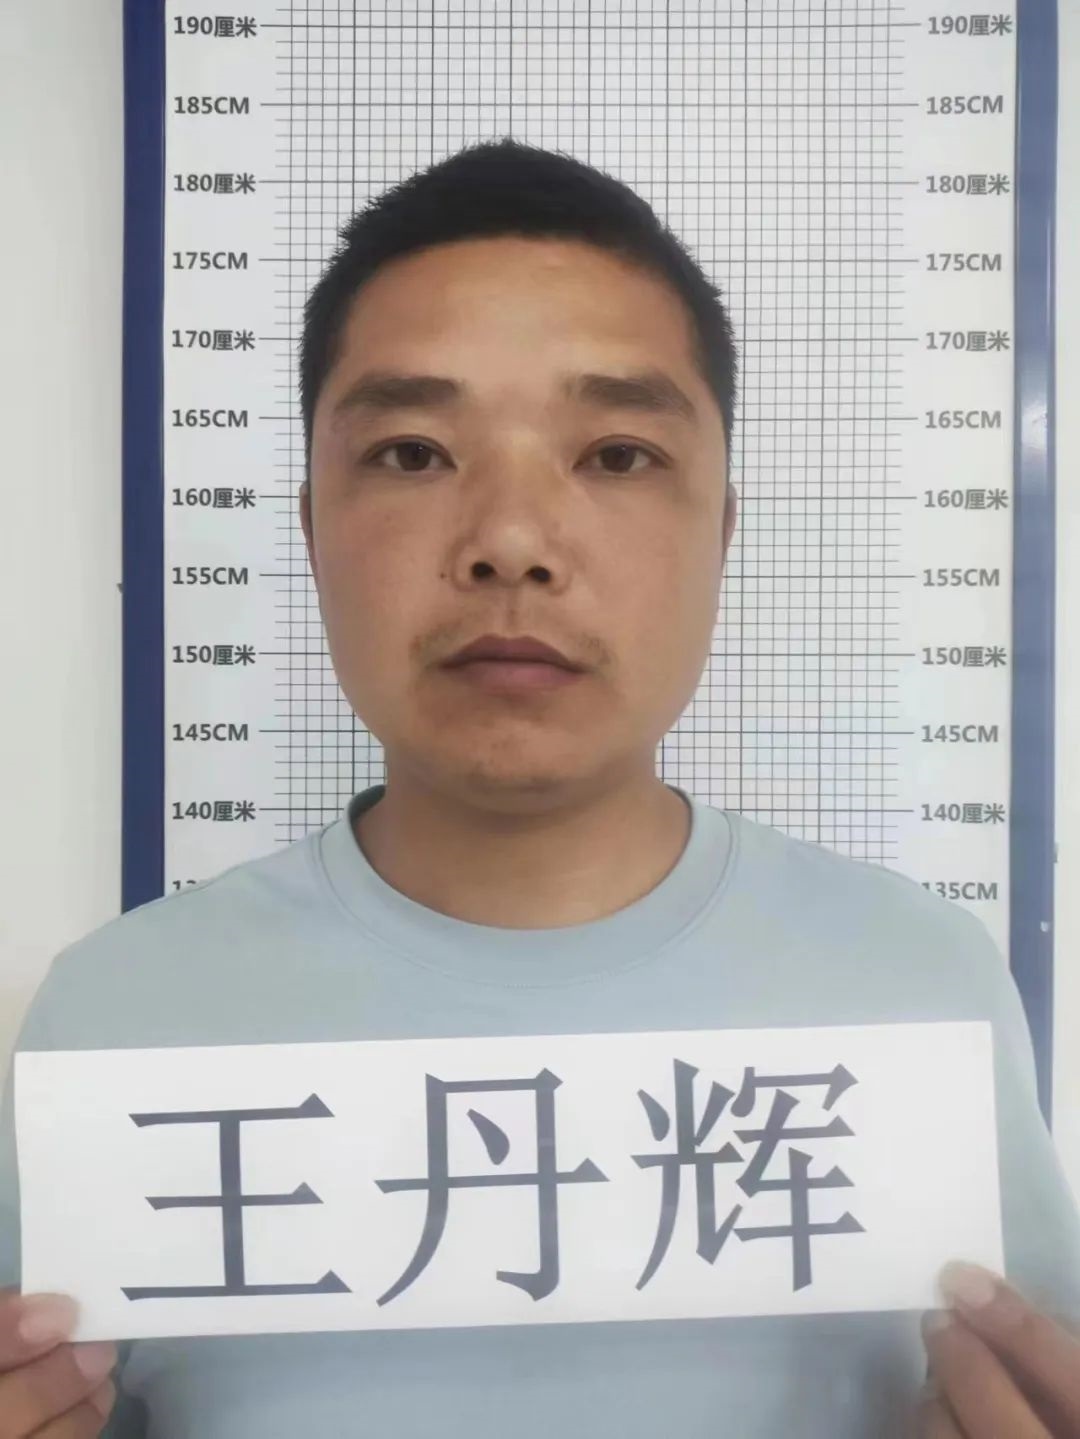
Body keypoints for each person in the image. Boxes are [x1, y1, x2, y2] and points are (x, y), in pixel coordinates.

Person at [1, 136, 1078, 1438]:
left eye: (617, 455)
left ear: (722, 532)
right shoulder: (118, 1019)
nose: (511, 542)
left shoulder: (922, 988)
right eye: (412, 452)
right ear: (312, 529)